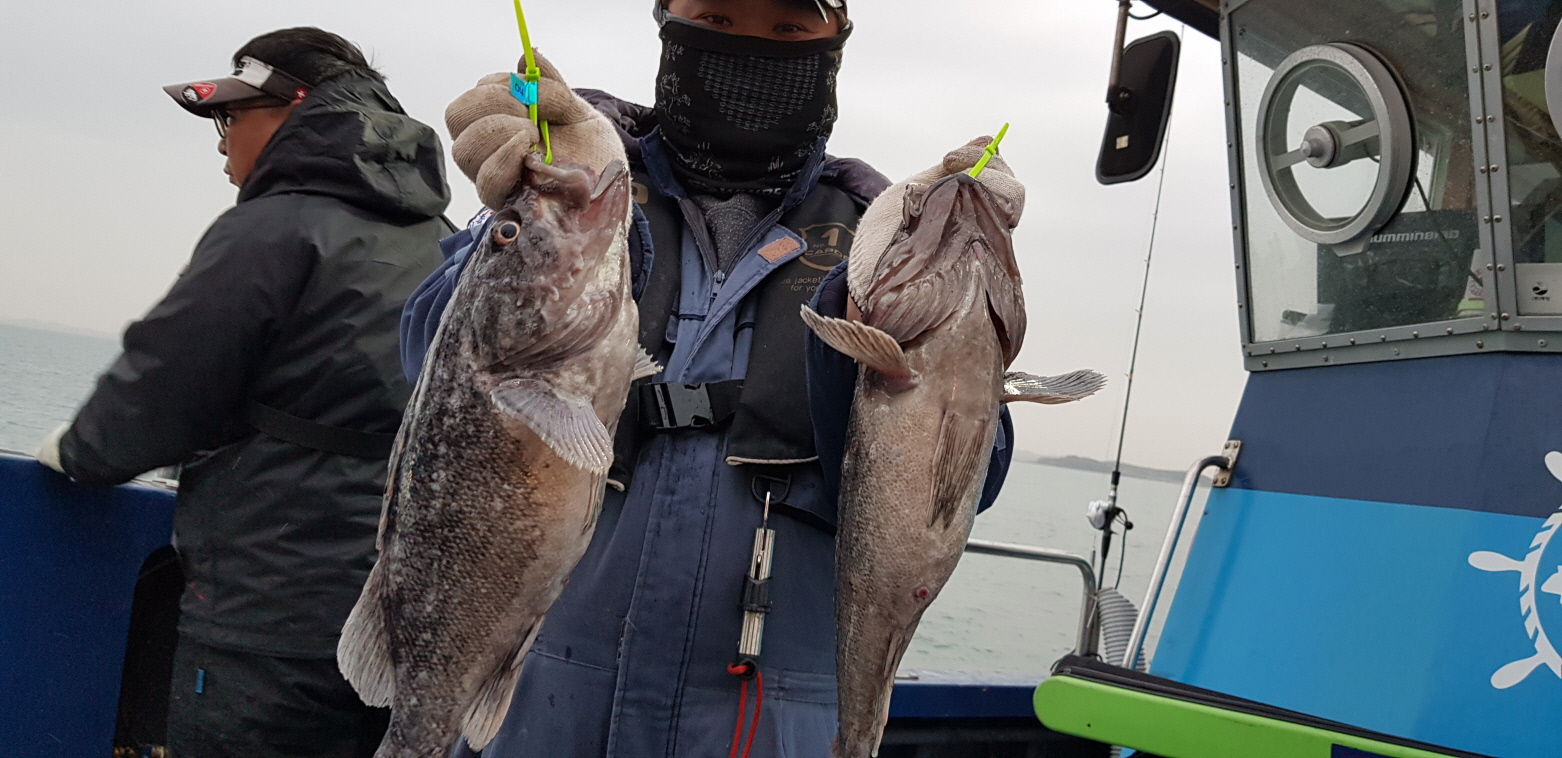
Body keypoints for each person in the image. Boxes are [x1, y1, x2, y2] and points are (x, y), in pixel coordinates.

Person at [402, 1, 1016, 755]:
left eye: (788, 28)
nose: (751, 49)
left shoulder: (888, 242)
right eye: (718, 19)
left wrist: (967, 281)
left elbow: (968, 481)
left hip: (771, 727)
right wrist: (509, 213)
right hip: (532, 710)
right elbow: (428, 364)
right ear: (667, 20)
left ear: (836, 40)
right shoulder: (577, 193)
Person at [32, 27, 452, 758]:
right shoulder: (445, 240)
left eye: (230, 116)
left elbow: (161, 389)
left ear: (295, 108)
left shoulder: (269, 229)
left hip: (266, 623)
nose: (222, 143)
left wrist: (77, 451)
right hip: (406, 631)